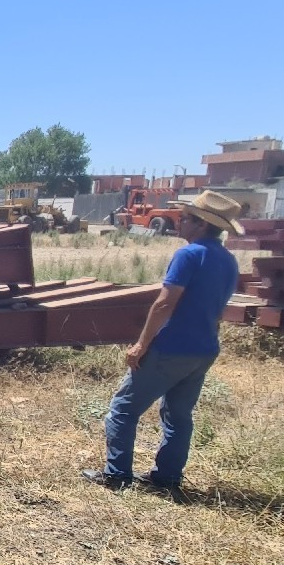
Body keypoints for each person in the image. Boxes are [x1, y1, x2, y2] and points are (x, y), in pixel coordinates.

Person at [82, 190, 244, 495]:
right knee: (179, 416)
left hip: (170, 348)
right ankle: (167, 478)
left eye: (184, 219)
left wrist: (141, 345)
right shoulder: (228, 259)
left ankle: (116, 476)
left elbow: (164, 304)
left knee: (122, 410)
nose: (179, 223)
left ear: (201, 224)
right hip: (204, 349)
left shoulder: (189, 254)